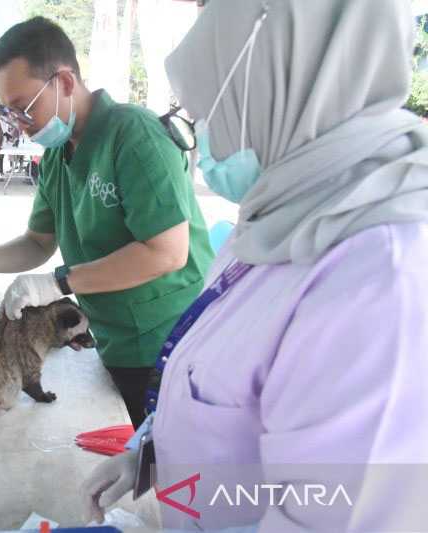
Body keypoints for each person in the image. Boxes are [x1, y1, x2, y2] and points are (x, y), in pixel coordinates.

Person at [81, 0, 428, 530]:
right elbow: (217, 376)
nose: (203, 145)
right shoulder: (283, 214)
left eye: (210, 113)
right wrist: (149, 452)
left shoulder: (380, 279)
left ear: (280, 87)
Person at [0, 17, 214, 428]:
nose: (19, 122)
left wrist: (59, 283)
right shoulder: (58, 156)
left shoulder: (133, 135)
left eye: (23, 107)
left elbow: (167, 252)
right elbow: (37, 241)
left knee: (170, 466)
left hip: (170, 341)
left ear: (64, 82)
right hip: (115, 338)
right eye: (10, 112)